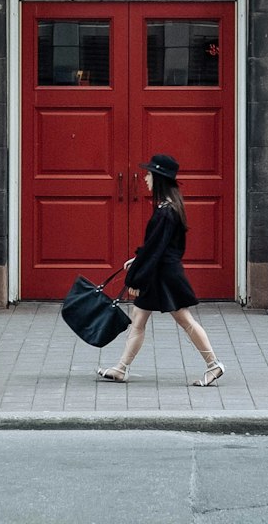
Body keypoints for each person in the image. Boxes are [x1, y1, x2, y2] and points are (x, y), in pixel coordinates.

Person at [96, 153, 226, 387]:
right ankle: (121, 368)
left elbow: (156, 250)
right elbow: (156, 246)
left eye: (148, 174)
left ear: (158, 178)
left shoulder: (166, 211)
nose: (145, 178)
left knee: (185, 321)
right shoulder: (170, 207)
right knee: (138, 320)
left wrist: (136, 277)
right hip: (161, 274)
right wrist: (137, 260)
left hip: (164, 277)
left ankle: (214, 365)